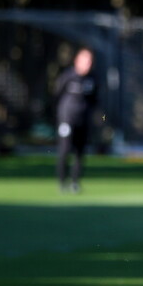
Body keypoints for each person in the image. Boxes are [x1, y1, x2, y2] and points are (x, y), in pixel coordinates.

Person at [54, 47, 97, 193]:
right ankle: (62, 182)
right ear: (77, 61)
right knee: (65, 150)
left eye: (90, 61)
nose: (88, 64)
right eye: (85, 60)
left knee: (80, 152)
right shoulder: (68, 76)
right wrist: (60, 116)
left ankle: (75, 182)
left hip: (83, 120)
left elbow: (94, 100)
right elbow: (57, 94)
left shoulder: (92, 79)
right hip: (67, 120)